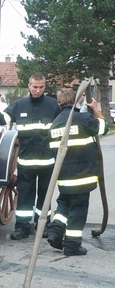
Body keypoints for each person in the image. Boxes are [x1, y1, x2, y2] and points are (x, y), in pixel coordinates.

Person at [0, 73, 59, 240]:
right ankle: (22, 228)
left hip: (48, 161)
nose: (38, 90)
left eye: (41, 87)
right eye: (35, 87)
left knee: (45, 197)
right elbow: (3, 119)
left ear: (44, 87)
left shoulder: (53, 105)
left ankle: (43, 225)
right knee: (25, 196)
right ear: (29, 86)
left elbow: (65, 123)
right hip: (26, 161)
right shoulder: (19, 105)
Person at [47, 89, 108, 256]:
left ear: (59, 102)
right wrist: (96, 111)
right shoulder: (83, 119)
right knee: (78, 211)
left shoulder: (55, 123)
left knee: (64, 204)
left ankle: (55, 232)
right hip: (82, 176)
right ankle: (72, 245)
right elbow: (104, 128)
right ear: (77, 101)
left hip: (64, 177)